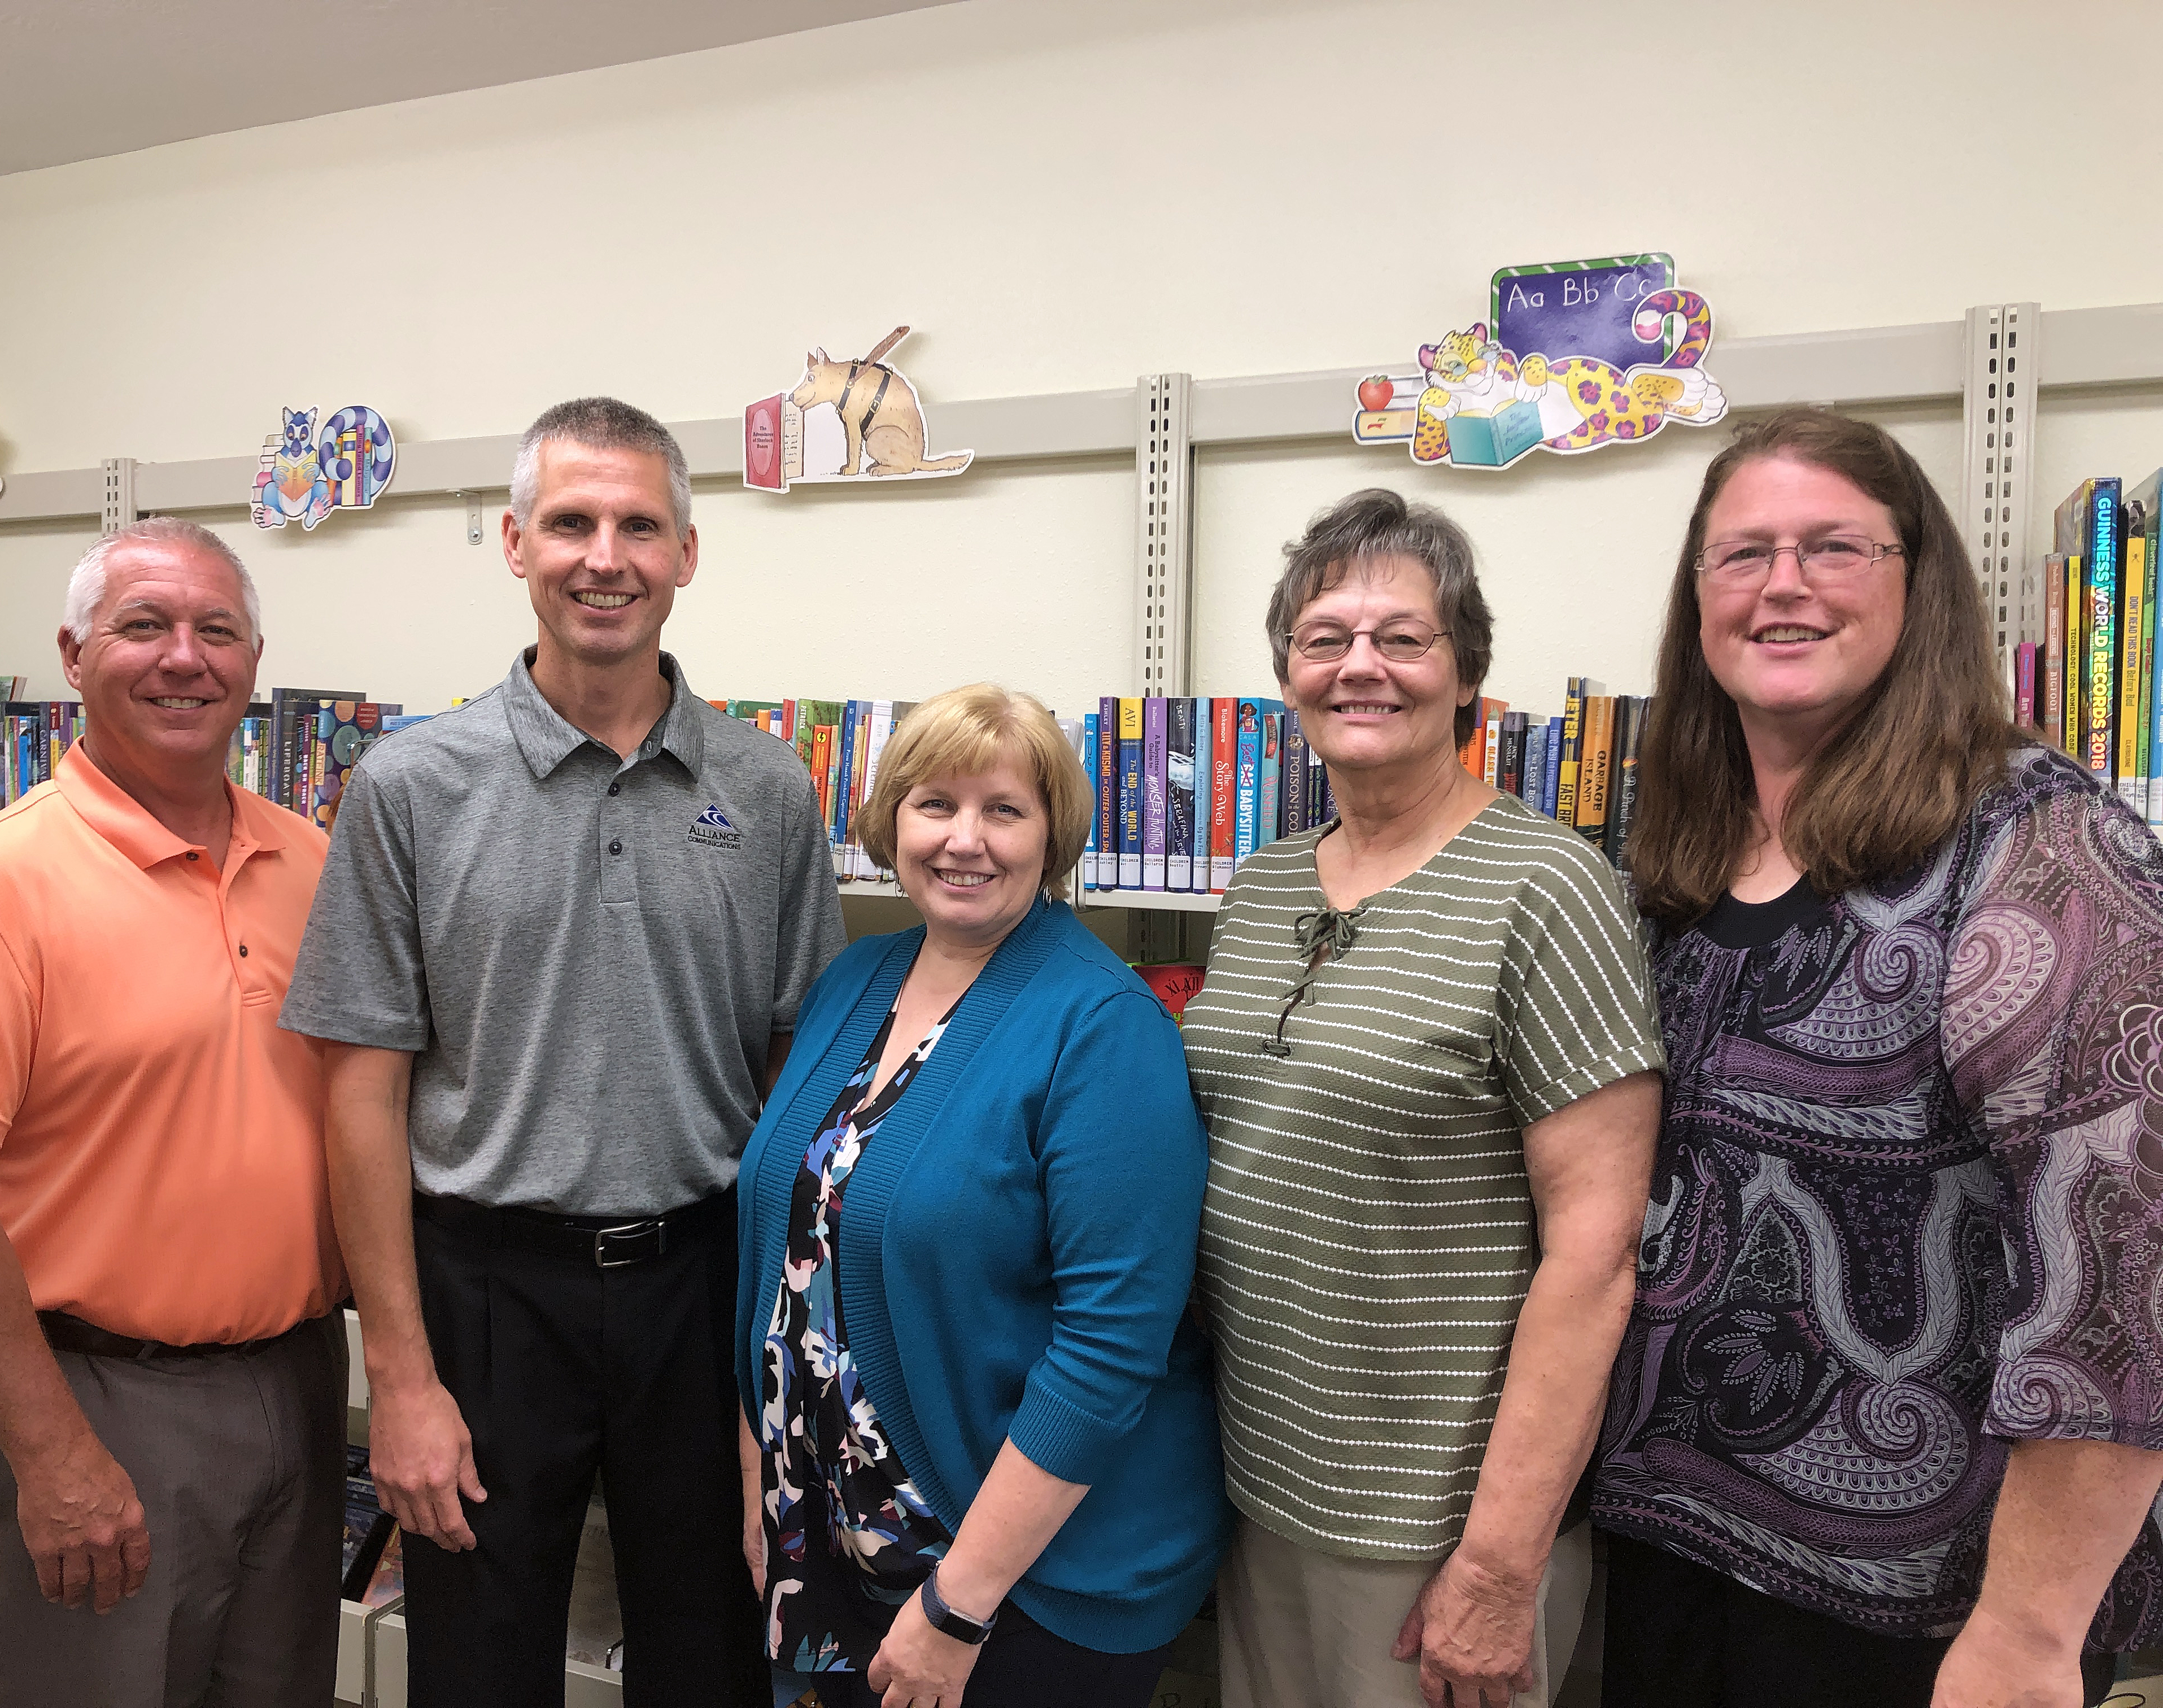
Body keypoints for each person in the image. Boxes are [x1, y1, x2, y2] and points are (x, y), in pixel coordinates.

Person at [1591, 407, 2163, 1708]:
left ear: (1922, 583)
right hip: (1668, 1545)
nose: (1782, 584)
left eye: (1833, 547)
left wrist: (2028, 1632)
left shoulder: (2044, 850)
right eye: (1743, 555)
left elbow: (2127, 1266)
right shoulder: (1674, 851)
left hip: (1922, 1606)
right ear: (1699, 599)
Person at [279, 397, 847, 1707]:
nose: (607, 556)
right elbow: (360, 1097)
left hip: (701, 1289)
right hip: (485, 1296)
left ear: (688, 554)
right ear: (514, 542)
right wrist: (403, 1380)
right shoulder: (410, 787)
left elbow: (793, 1076)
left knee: (709, 1656)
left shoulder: (769, 791)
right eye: (573, 523)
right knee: (480, 1667)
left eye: (640, 525)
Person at [1182, 490, 1665, 1708]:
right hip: (1258, 1479)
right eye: (1325, 637)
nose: (1361, 667)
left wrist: (1498, 1566)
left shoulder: (1548, 887)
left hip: (1432, 1524)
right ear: (1288, 671)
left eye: (1402, 638)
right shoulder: (1264, 882)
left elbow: (1597, 1255)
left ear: (1467, 674)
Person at [0, 517, 348, 1707]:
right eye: (144, 626)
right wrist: (50, 1454)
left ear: (255, 662)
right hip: (90, 1403)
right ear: (75, 654)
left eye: (217, 630)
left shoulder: (316, 866)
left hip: (295, 1388)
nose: (184, 657)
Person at [736, 683, 1227, 1708]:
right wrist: (764, 1475)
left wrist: (958, 1603)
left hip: (1013, 1585)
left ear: (1052, 837)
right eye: (935, 804)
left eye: (1005, 810)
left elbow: (1109, 1349)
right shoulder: (855, 978)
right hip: (836, 1543)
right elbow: (783, 1254)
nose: (967, 840)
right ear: (889, 824)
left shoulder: (1105, 1027)